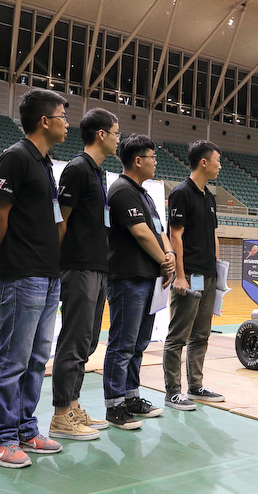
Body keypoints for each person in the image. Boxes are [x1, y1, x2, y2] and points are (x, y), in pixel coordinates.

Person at [0, 88, 68, 468]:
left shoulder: (46, 163)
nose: (68, 123)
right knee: (12, 359)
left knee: (36, 359)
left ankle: (25, 429)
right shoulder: (15, 158)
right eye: (62, 116)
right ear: (44, 121)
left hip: (48, 275)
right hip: (21, 274)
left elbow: (51, 219)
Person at [49, 109, 120, 441]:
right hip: (77, 267)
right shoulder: (76, 170)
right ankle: (61, 414)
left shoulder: (98, 172)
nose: (119, 139)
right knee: (74, 340)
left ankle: (74, 406)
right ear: (101, 134)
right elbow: (60, 221)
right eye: (116, 133)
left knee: (88, 341)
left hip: (98, 266)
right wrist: (56, 264)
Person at [103, 134, 175, 428]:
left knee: (139, 343)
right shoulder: (121, 191)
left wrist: (169, 255)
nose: (155, 162)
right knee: (122, 344)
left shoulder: (144, 194)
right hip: (127, 279)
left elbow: (158, 230)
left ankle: (131, 396)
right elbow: (141, 232)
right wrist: (163, 260)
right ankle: (114, 405)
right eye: (152, 157)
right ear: (137, 160)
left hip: (148, 280)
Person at [163, 140, 224, 410]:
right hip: (190, 275)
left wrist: (218, 270)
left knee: (201, 334)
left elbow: (213, 235)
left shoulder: (209, 197)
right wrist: (180, 276)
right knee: (178, 335)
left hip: (208, 276)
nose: (219, 165)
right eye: (217, 161)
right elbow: (175, 236)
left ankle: (195, 386)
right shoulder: (181, 193)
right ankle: (173, 391)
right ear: (203, 162)